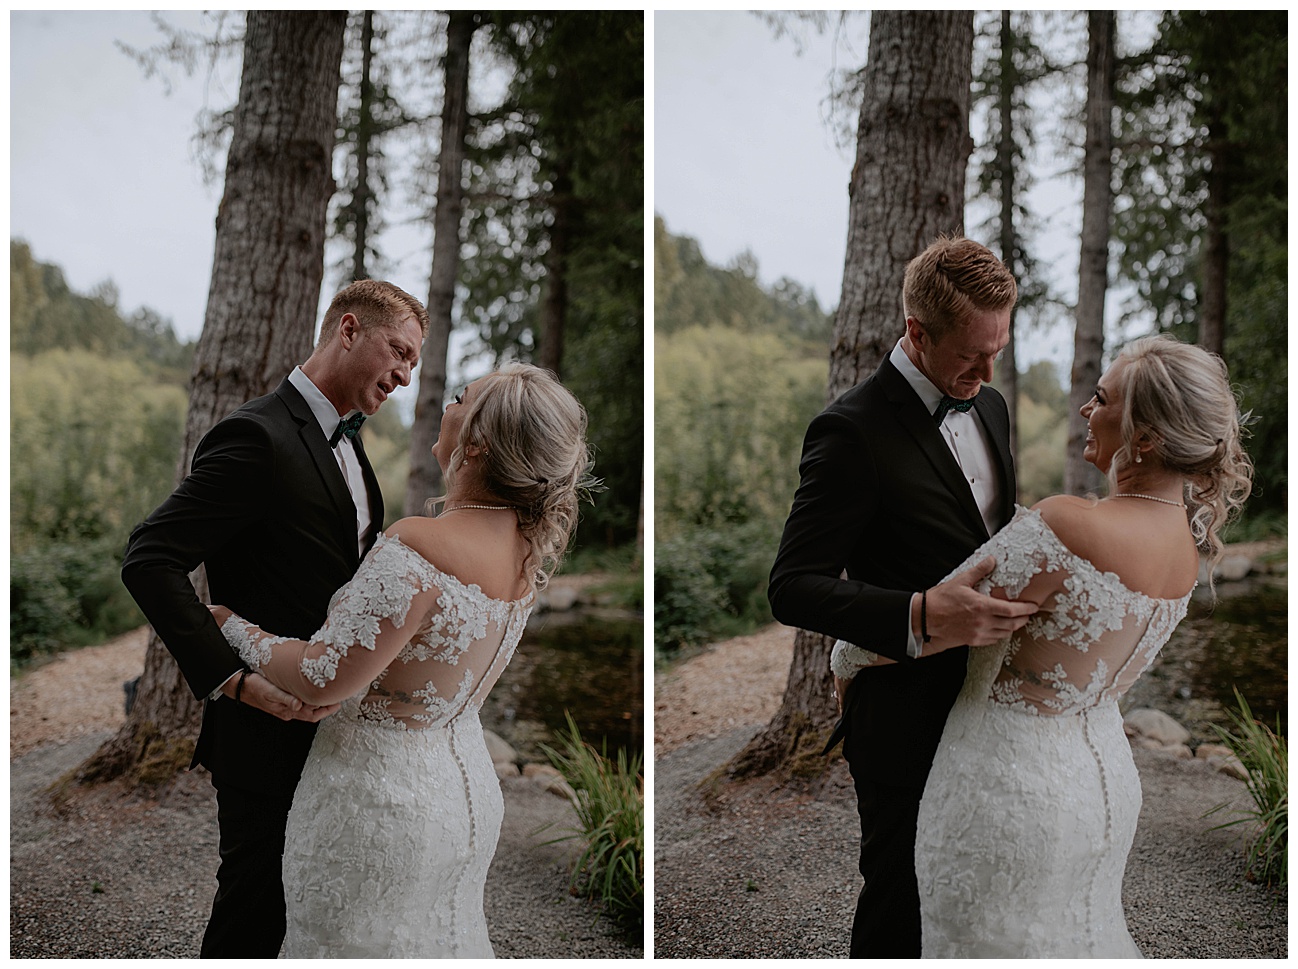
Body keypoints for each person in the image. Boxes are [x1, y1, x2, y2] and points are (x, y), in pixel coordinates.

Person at [832, 334, 1253, 956]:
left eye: (1103, 398)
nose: (1086, 408)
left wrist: (845, 662)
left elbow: (939, 616)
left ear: (1145, 438)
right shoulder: (1188, 550)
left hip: (1006, 786)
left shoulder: (1065, 525)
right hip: (1103, 782)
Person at [208, 363, 595, 957]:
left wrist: (232, 627)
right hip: (462, 789)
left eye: (459, 398)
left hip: (377, 800)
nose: (444, 403)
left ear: (479, 442)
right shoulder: (523, 552)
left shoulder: (417, 544)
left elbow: (319, 677)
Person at [121, 279, 429, 958]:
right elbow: (149, 558)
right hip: (260, 730)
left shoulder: (353, 449)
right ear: (348, 329)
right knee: (252, 913)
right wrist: (232, 678)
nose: (406, 376)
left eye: (414, 365)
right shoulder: (256, 435)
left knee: (308, 909)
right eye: (400, 352)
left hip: (331, 732)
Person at [767, 235, 1038, 958]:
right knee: (900, 894)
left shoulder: (993, 409)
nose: (986, 370)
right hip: (902, 710)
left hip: (993, 701)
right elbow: (791, 586)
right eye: (971, 354)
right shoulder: (850, 430)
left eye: (998, 349)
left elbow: (994, 533)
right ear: (917, 332)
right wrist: (918, 614)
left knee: (974, 882)